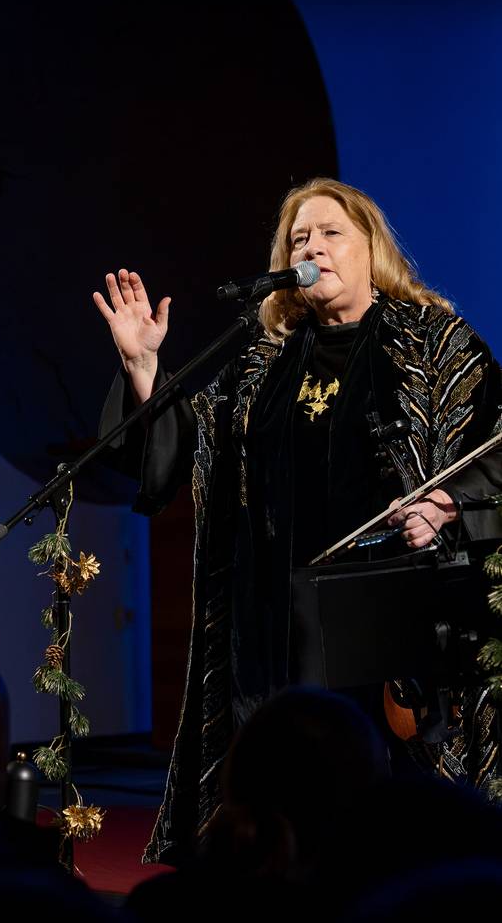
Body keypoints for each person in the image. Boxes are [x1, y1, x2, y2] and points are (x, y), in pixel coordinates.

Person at [94, 178, 502, 865]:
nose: (311, 246)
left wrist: (447, 503)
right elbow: (186, 451)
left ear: (372, 248)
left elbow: (493, 445)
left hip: (388, 629)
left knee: (384, 813)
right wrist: (143, 366)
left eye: (329, 232)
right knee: (283, 803)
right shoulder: (263, 363)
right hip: (271, 625)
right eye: (298, 238)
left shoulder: (437, 344)